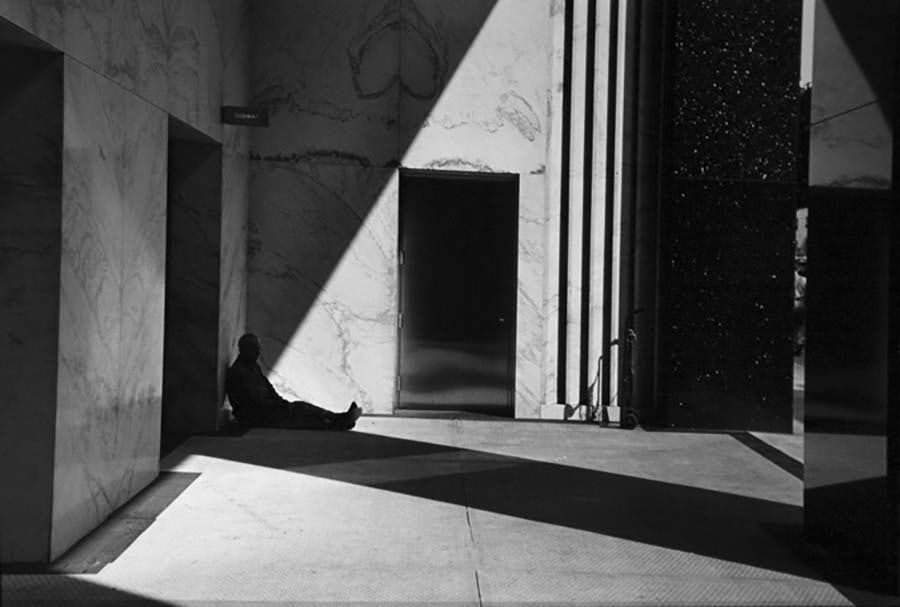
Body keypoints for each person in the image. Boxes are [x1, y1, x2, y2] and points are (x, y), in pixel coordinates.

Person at [225, 333, 362, 431]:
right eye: (255, 349)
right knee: (299, 417)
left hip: (269, 410)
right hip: (257, 417)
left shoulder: (254, 367)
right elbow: (253, 402)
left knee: (300, 408)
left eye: (259, 349)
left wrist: (281, 403)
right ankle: (337, 423)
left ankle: (338, 418)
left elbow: (269, 388)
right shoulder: (238, 372)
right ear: (244, 349)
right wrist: (278, 407)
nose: (258, 352)